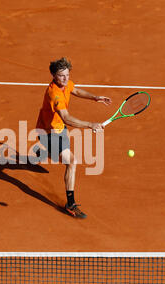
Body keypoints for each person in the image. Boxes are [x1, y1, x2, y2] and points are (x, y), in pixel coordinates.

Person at [35, 57, 112, 218]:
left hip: (58, 129)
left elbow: (75, 90)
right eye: (61, 75)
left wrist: (95, 97)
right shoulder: (54, 94)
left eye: (67, 75)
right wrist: (90, 125)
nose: (66, 78)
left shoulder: (65, 83)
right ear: (53, 75)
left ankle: (42, 152)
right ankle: (70, 204)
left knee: (63, 158)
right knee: (71, 161)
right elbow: (67, 118)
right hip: (47, 132)